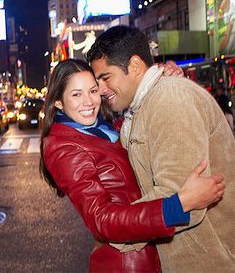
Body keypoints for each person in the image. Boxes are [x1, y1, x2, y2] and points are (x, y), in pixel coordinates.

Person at [41, 59, 225, 272]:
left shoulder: (102, 128)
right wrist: (179, 204)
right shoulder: (63, 148)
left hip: (146, 254)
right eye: (76, 94)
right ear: (58, 102)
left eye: (92, 91)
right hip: (126, 263)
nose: (88, 101)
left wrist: (161, 78)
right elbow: (102, 219)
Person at [87, 26, 235, 272]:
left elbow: (184, 200)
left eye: (106, 78)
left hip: (207, 261)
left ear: (135, 67)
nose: (101, 90)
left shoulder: (169, 98)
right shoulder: (142, 106)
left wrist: (111, 226)